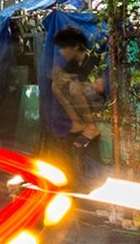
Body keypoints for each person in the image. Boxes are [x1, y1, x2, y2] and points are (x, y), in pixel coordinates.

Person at [43, 24, 106, 186]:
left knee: (74, 87)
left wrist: (80, 84)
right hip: (83, 102)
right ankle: (77, 122)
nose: (61, 52)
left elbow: (100, 87)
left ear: (76, 46)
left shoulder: (93, 60)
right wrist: (60, 77)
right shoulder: (71, 64)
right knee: (55, 85)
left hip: (99, 101)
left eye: (64, 48)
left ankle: (91, 126)